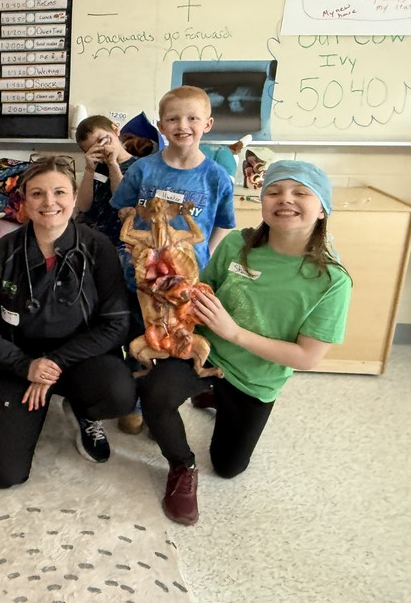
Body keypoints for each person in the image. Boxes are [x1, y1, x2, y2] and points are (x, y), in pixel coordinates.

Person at [139, 161, 352, 525]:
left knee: (228, 468)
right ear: (262, 201)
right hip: (202, 354)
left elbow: (307, 356)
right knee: (154, 393)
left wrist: (233, 332)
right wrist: (164, 286)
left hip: (255, 379)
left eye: (300, 193)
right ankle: (182, 466)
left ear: (323, 209)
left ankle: (213, 398)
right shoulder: (237, 243)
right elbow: (198, 291)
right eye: (273, 191)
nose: (285, 199)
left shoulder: (331, 281)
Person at [0, 156, 136, 488]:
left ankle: (83, 408)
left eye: (59, 192)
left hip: (81, 358)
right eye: (37, 194)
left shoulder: (97, 247)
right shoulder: (4, 251)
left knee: (118, 393)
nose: (49, 202)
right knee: (3, 474)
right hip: (19, 362)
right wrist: (25, 366)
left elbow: (116, 324)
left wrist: (55, 362)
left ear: (73, 197)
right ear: (24, 201)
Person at [111, 85, 235, 271]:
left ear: (207, 124)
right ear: (161, 126)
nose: (182, 126)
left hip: (188, 276)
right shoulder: (142, 169)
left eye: (192, 118)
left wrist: (206, 253)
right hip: (141, 272)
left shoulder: (217, 177)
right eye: (172, 119)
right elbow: (124, 209)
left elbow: (224, 223)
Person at [74, 115, 145, 434]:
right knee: (95, 322)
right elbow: (85, 206)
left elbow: (123, 202)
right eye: (92, 148)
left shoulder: (143, 166)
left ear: (116, 131)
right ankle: (102, 387)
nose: (100, 150)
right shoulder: (94, 169)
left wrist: (114, 163)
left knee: (132, 322)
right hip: (91, 245)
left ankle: (137, 402)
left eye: (103, 139)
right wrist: (89, 168)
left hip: (126, 248)